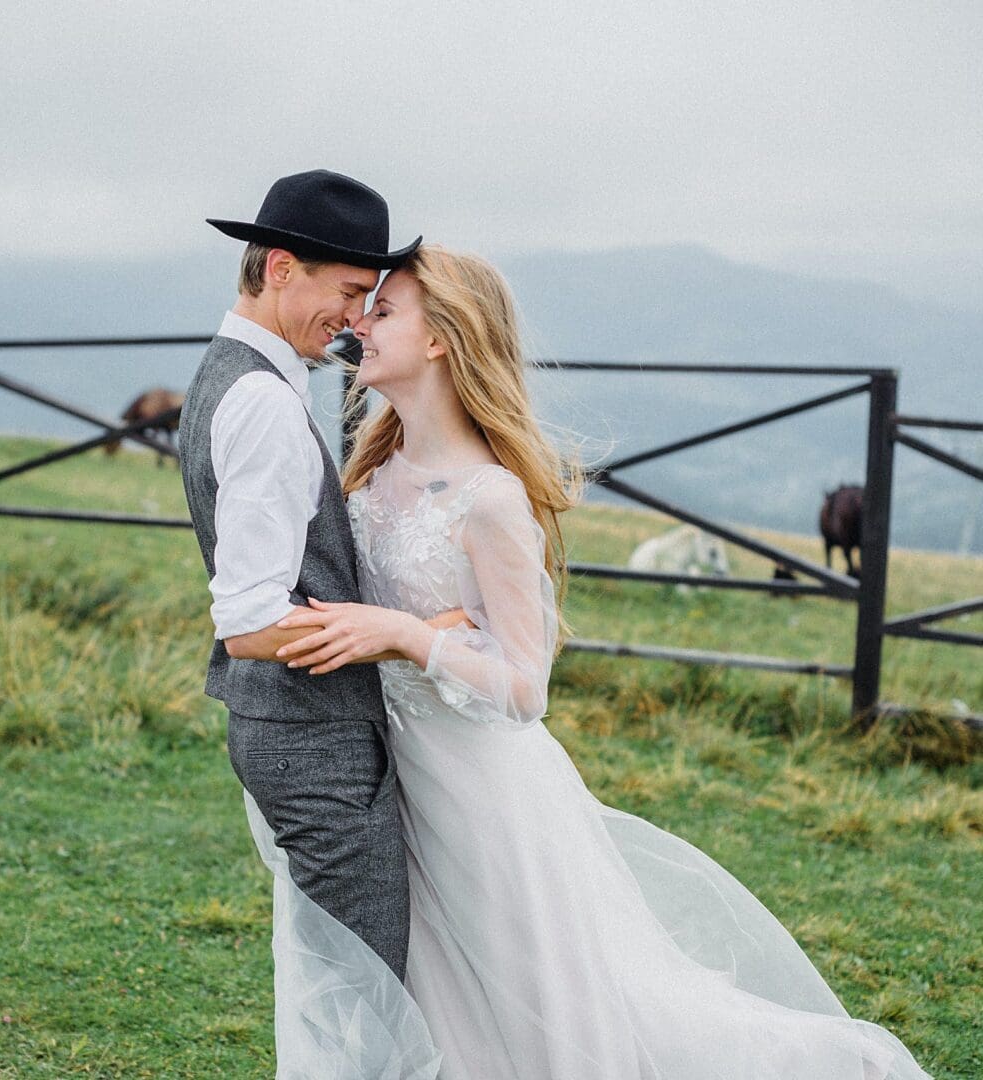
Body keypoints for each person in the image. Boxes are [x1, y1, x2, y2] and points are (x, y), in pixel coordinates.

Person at [266, 245, 933, 1078]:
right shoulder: (369, 473)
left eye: (386, 310)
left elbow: (523, 689)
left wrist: (407, 635)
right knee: (439, 1000)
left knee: (537, 1007)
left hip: (482, 797)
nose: (360, 323)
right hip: (391, 778)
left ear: (443, 339)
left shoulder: (493, 499)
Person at [179, 171, 455, 1075]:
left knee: (342, 981)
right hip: (314, 742)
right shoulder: (260, 400)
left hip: (293, 730)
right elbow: (251, 617)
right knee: (370, 988)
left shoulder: (237, 374)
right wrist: (397, 633)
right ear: (282, 268)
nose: (349, 320)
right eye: (344, 295)